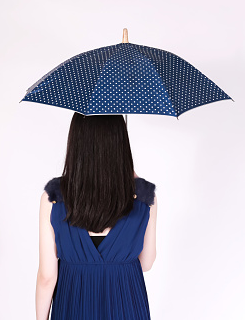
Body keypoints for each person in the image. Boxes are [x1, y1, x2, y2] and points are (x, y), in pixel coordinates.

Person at [35, 112, 158, 320]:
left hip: (73, 305)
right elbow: (146, 263)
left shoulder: (54, 198)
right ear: (120, 142)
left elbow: (47, 277)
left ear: (76, 141)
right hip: (127, 306)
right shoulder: (144, 197)